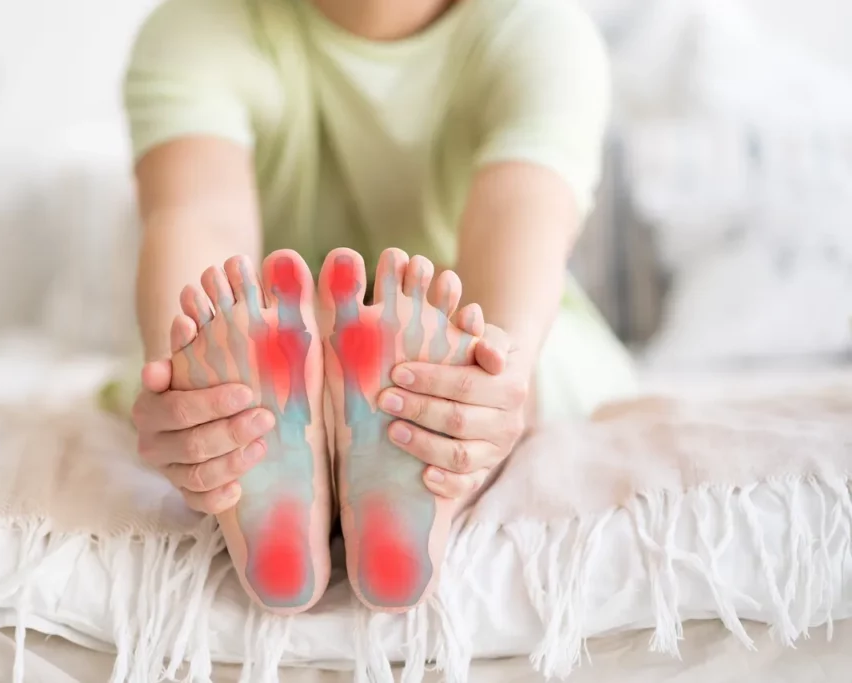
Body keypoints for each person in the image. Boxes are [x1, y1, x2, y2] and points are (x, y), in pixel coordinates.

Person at [117, 0, 637, 615]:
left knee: (515, 358)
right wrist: (183, 388)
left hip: (462, 324)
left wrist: (500, 380)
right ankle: (408, 436)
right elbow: (195, 219)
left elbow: (201, 220)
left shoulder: (539, 31)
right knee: (505, 361)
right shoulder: (198, 27)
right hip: (290, 334)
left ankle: (304, 442)